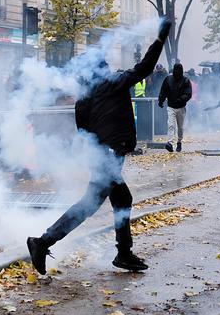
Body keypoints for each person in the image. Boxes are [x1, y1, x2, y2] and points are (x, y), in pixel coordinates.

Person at [26, 18, 173, 275]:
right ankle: (44, 242)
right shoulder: (113, 83)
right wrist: (159, 40)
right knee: (99, 203)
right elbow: (144, 68)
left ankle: (122, 253)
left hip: (102, 153)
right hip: (108, 153)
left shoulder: (84, 96)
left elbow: (83, 130)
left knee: (103, 202)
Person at [158, 63, 192, 153]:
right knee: (171, 125)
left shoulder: (185, 80)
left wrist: (181, 99)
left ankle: (179, 141)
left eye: (178, 69)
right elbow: (163, 90)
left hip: (181, 107)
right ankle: (169, 143)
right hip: (171, 106)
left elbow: (188, 93)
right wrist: (161, 100)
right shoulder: (168, 79)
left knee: (180, 127)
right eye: (175, 69)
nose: (176, 71)